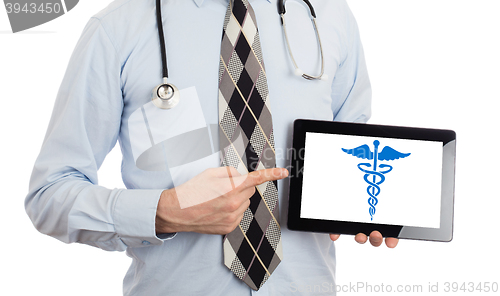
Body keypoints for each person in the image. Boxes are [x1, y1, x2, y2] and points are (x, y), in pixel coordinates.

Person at [25, 0, 398, 295]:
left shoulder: (329, 17)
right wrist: (165, 211)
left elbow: (351, 157)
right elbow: (49, 194)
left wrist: (369, 208)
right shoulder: (118, 28)